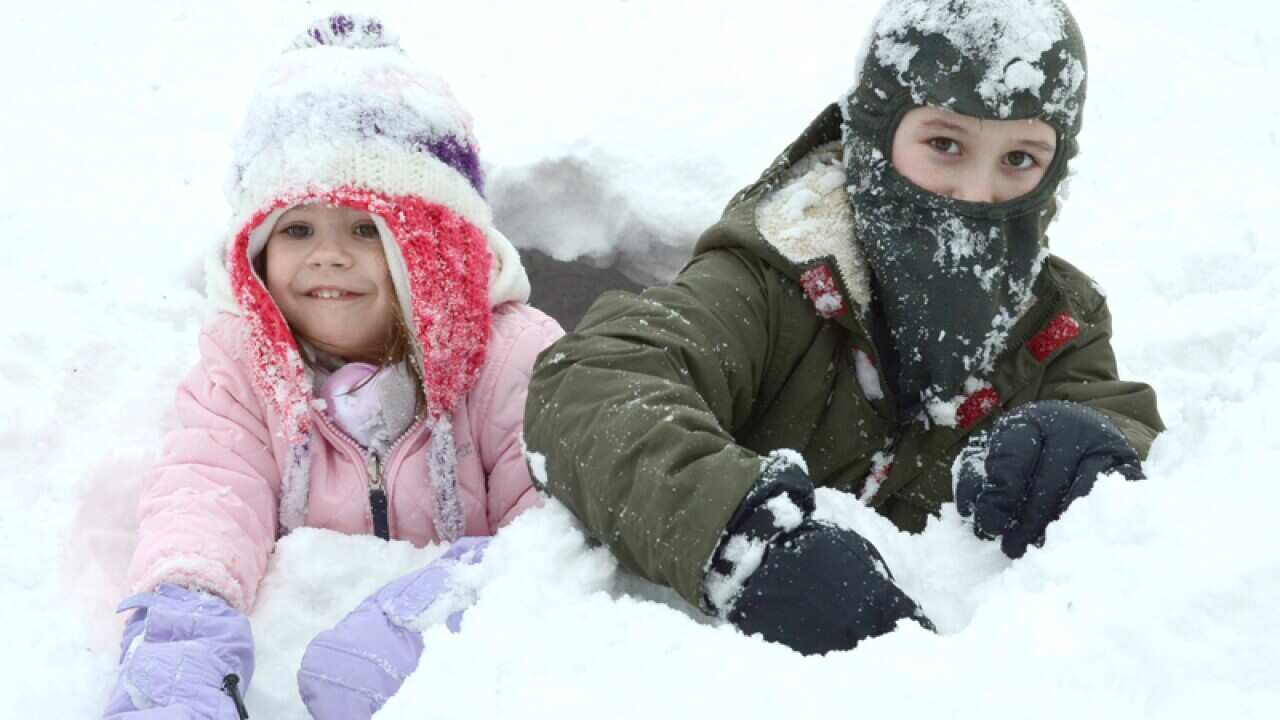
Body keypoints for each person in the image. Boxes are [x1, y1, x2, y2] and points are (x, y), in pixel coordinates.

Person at [523, 0, 1163, 656]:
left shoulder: (1056, 327)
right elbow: (594, 384)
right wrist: (745, 541)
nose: (977, 191)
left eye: (1021, 159)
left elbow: (1141, 459)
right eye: (945, 144)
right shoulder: (776, 274)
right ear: (876, 137)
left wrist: (1092, 450)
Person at [101, 15, 562, 719]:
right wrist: (182, 622)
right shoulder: (245, 362)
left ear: (434, 246)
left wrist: (442, 611)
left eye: (365, 228)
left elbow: (554, 526)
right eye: (296, 229)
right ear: (255, 251)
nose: (327, 255)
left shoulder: (512, 357)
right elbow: (209, 487)